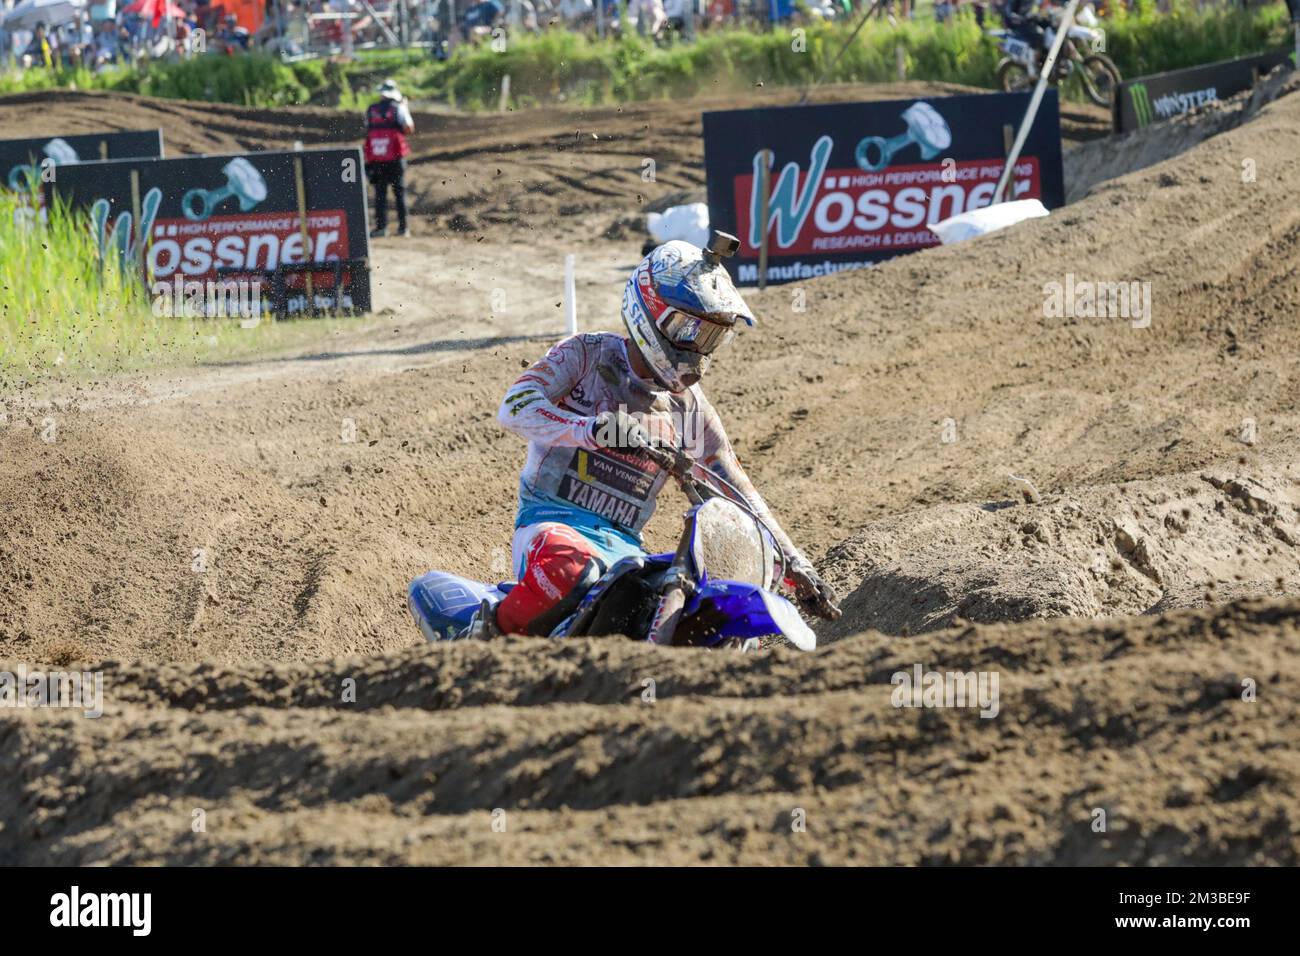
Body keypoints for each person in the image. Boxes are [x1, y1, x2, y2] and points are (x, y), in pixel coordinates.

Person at [463, 234, 840, 639]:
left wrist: (795, 563)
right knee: (570, 570)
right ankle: (480, 640)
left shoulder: (689, 407)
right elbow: (514, 407)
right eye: (689, 329)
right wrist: (591, 430)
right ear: (651, 311)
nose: (697, 347)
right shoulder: (587, 355)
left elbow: (732, 487)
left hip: (625, 549)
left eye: (710, 337)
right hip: (551, 524)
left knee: (697, 609)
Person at [363, 79, 414, 238]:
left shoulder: (371, 110)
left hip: (376, 158)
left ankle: (381, 228)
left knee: (380, 194)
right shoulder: (398, 108)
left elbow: (367, 127)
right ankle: (403, 228)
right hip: (395, 158)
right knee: (399, 193)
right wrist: (405, 108)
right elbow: (409, 128)